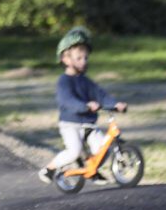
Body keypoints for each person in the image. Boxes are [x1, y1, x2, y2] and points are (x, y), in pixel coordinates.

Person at [38, 27, 127, 184]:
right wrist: (85, 105)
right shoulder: (64, 81)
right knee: (74, 151)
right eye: (79, 58)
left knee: (103, 147)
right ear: (65, 59)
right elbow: (67, 100)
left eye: (86, 58)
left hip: (88, 124)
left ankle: (91, 169)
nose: (84, 61)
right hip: (70, 124)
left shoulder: (86, 81)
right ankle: (49, 169)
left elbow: (101, 95)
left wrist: (115, 104)